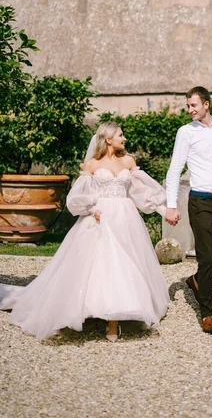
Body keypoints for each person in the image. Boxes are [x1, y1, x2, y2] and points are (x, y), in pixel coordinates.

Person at [0, 122, 170, 342]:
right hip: (100, 219)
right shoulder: (91, 165)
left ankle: (116, 318)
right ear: (108, 139)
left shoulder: (129, 162)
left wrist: (163, 210)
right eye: (120, 134)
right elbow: (75, 199)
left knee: (125, 264)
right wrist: (92, 209)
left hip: (126, 219)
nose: (124, 138)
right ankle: (79, 312)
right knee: (101, 267)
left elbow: (141, 193)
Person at [165, 86, 212, 335]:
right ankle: (206, 314)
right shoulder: (185, 132)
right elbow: (174, 170)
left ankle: (197, 280)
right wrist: (171, 205)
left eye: (193, 105)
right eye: (188, 106)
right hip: (200, 203)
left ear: (206, 104)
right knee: (206, 258)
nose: (190, 110)